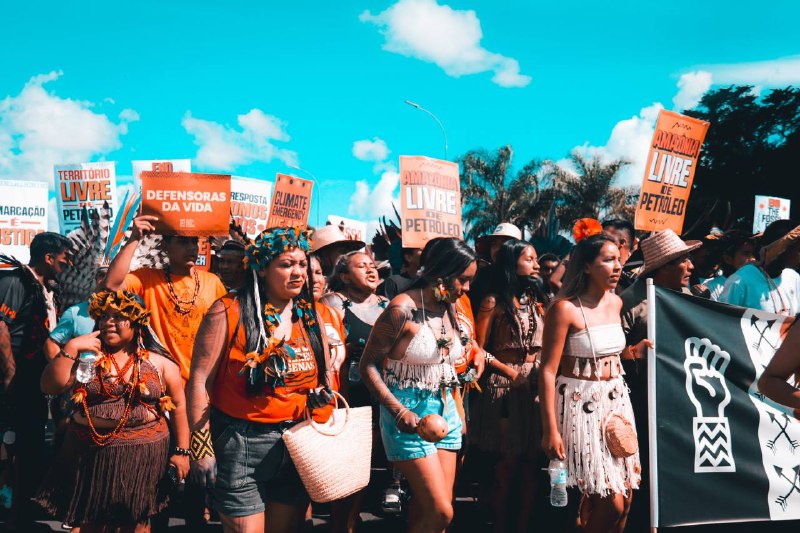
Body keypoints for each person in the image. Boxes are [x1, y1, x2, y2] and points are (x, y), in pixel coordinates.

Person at [186, 227, 334, 533]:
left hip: (298, 440)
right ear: (262, 268)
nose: (298, 273)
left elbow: (327, 377)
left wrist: (321, 399)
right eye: (286, 265)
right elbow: (199, 380)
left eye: (302, 264)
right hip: (241, 443)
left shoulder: (311, 316)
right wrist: (201, 448)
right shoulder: (228, 310)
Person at [35, 289, 189, 531]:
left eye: (118, 316)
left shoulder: (159, 363)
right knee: (88, 522)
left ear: (137, 322)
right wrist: (73, 346)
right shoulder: (87, 358)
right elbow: (49, 385)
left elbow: (179, 406)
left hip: (142, 455)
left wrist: (181, 451)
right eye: (105, 316)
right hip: (88, 454)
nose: (109, 322)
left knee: (136, 522)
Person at [360, 237, 479, 532]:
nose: (467, 289)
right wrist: (398, 411)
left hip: (445, 408)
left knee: (433, 512)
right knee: (442, 512)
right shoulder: (402, 309)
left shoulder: (450, 305)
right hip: (407, 412)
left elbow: (451, 355)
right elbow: (368, 366)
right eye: (463, 280)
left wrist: (459, 413)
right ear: (442, 273)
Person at [539, 234, 645, 533]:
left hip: (616, 402)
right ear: (586, 266)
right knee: (610, 502)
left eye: (618, 259)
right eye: (608, 260)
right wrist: (550, 429)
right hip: (579, 404)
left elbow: (605, 352)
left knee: (626, 502)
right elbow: (547, 371)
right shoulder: (565, 309)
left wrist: (634, 352)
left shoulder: (616, 302)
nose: (617, 266)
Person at [618, 229, 701, 533]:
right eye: (683, 260)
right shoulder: (630, 303)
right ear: (663, 266)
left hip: (683, 401)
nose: (691, 267)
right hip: (643, 404)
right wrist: (635, 354)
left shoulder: (690, 297)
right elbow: (612, 356)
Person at [471, 239, 546, 532]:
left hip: (535, 384)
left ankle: (523, 525)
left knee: (531, 464)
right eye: (530, 258)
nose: (536, 264)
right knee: (507, 462)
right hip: (505, 385)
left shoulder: (539, 300)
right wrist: (510, 373)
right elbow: (478, 348)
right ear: (512, 263)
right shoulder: (494, 302)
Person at [0, 231, 71, 528]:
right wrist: (10, 372)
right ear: (48, 257)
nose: (66, 266)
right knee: (7, 442)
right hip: (14, 379)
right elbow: (2, 329)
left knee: (28, 444)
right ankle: (7, 507)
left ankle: (20, 509)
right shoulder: (15, 282)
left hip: (33, 381)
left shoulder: (46, 290)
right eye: (64, 261)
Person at [104, 215, 227, 382]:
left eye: (194, 241)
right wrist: (134, 238)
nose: (191, 248)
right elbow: (111, 285)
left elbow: (223, 336)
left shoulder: (213, 282)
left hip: (201, 384)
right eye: (183, 242)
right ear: (165, 246)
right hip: (158, 382)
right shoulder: (147, 278)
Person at [319, 251, 388, 532]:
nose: (371, 271)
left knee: (365, 464)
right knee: (347, 464)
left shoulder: (390, 306)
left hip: (381, 394)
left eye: (373, 266)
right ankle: (341, 523)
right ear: (344, 276)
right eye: (362, 267)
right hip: (348, 395)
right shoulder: (333, 303)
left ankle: (349, 520)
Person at [720, 220, 800, 316]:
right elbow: (723, 322)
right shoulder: (740, 281)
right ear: (782, 248)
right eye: (798, 249)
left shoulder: (793, 277)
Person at [469, 223, 523, 311]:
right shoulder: (481, 277)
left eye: (504, 244)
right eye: (494, 244)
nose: (497, 249)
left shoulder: (527, 277)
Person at [704, 230, 756, 301]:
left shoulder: (759, 283)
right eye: (746, 253)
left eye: (753, 253)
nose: (753, 259)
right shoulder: (711, 288)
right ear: (728, 259)